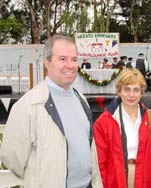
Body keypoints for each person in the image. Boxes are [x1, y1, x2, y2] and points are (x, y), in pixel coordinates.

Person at [0, 35, 93, 188]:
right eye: (62, 59)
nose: (70, 65)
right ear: (47, 63)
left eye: (74, 59)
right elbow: (12, 159)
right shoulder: (29, 104)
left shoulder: (81, 99)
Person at [91, 68, 151, 188]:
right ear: (119, 91)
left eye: (136, 90)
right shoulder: (104, 122)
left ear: (142, 92)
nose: (131, 95)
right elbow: (99, 162)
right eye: (127, 89)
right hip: (115, 181)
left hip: (146, 180)